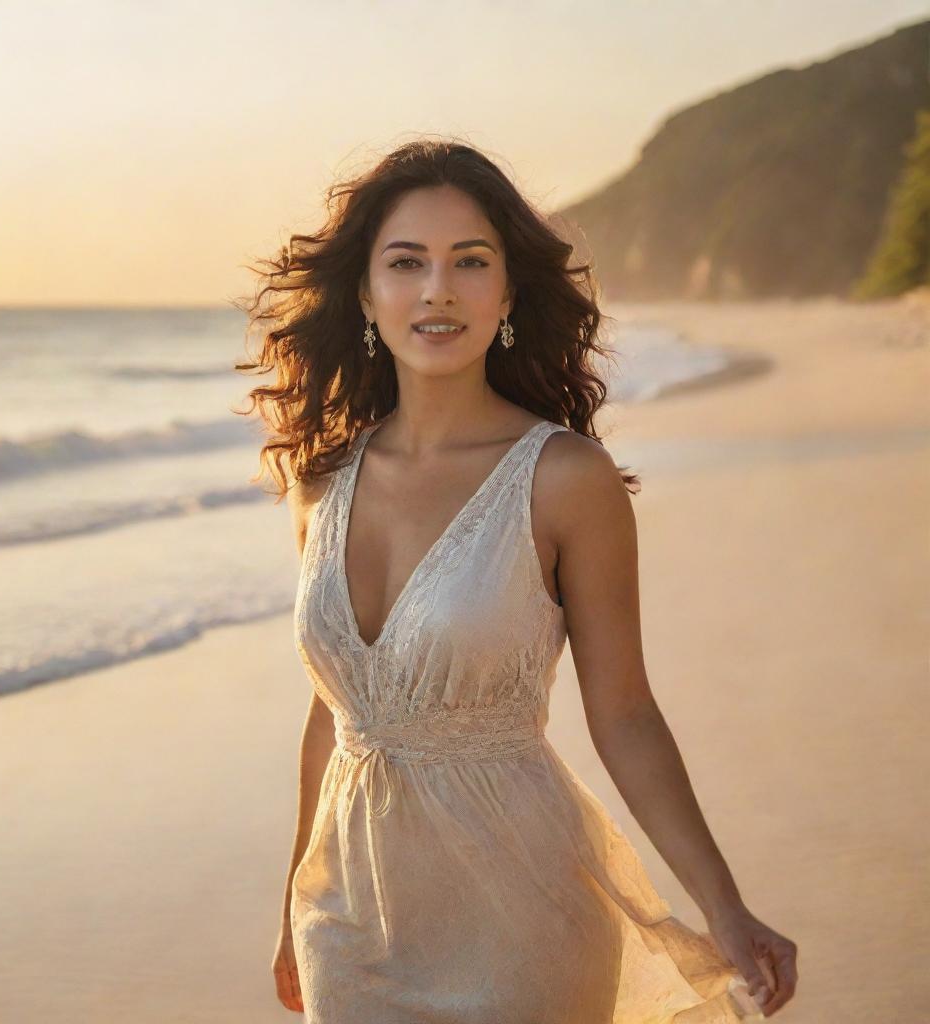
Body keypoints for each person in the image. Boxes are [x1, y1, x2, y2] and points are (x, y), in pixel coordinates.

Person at [235, 137, 798, 1022]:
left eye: (470, 262)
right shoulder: (321, 485)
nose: (437, 290)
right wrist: (289, 900)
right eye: (406, 263)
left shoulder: (566, 479)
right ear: (365, 293)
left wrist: (724, 907)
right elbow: (333, 711)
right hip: (347, 916)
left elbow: (626, 713)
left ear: (506, 292)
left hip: (522, 917)